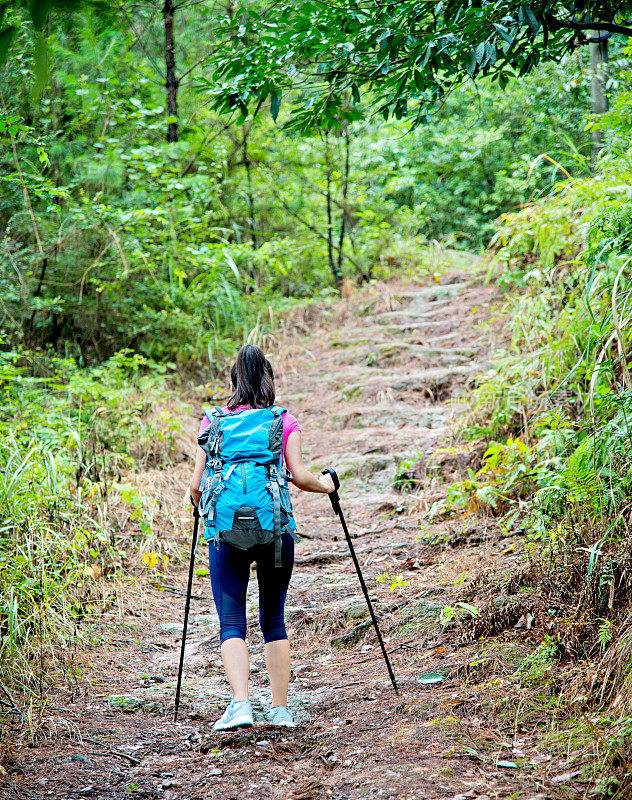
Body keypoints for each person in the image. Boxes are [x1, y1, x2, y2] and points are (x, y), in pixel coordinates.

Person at [189, 344, 335, 730]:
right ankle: (281, 709)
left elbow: (196, 486)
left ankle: (240, 706)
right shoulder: (283, 421)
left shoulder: (213, 423)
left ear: (234, 382)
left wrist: (200, 505)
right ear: (268, 380)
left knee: (232, 621)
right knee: (273, 617)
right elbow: (301, 478)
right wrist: (327, 485)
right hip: (275, 534)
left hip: (226, 535)